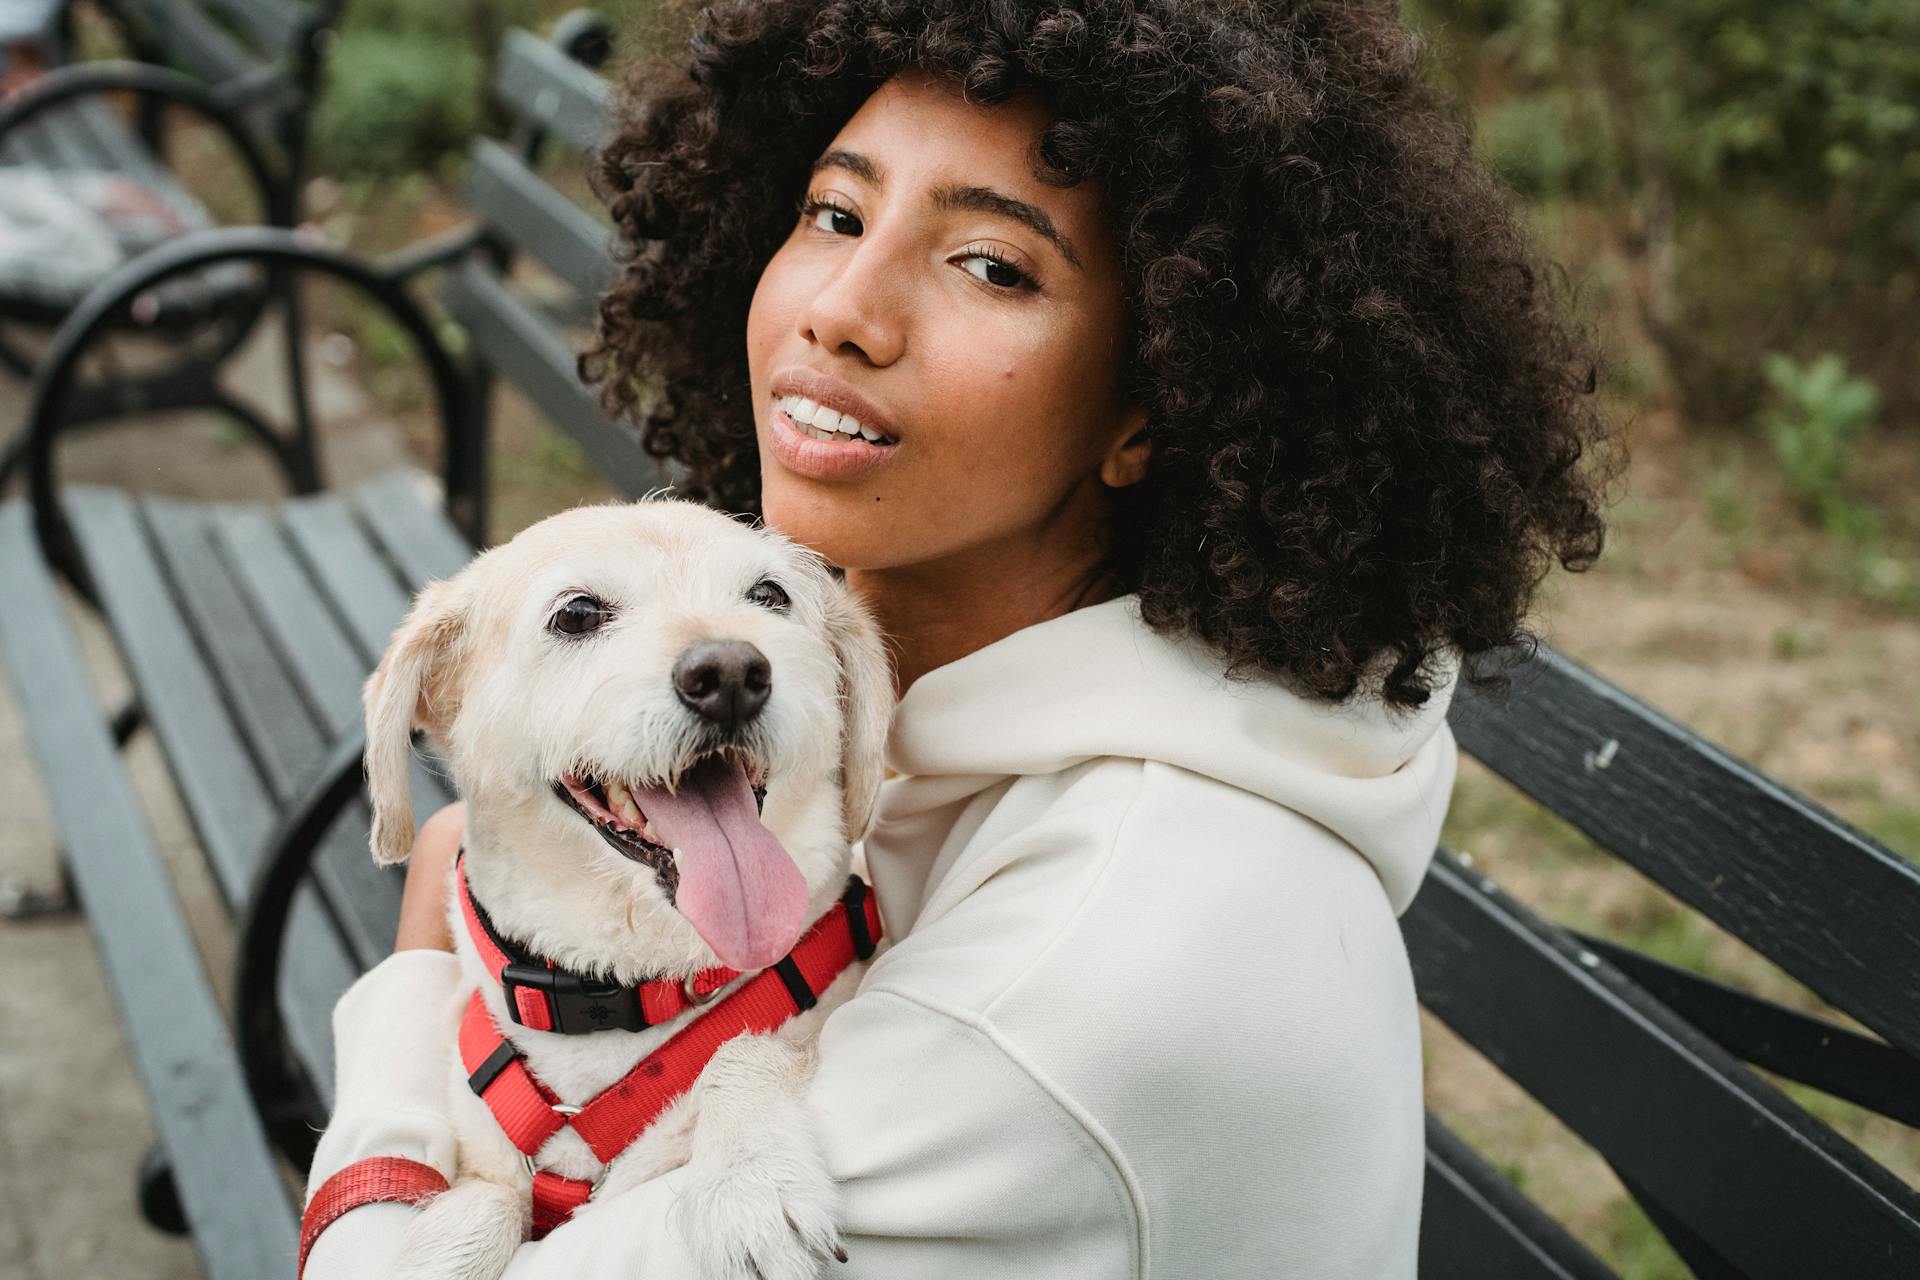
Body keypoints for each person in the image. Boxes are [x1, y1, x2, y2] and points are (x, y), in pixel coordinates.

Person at [302, 0, 1617, 1274]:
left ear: (1158, 396)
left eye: (992, 262)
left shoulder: (1100, 968)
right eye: (833, 211)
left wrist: (420, 987)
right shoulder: (892, 682)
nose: (843, 311)